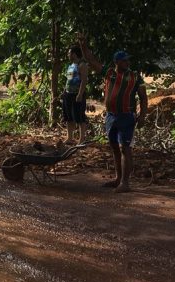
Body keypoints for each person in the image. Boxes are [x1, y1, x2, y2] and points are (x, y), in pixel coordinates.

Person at [82, 40, 148, 193]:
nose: (127, 62)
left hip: (127, 116)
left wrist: (143, 116)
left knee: (125, 148)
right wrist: (83, 44)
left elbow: (143, 98)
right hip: (111, 116)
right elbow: (91, 60)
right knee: (114, 147)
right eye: (125, 60)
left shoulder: (135, 77)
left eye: (128, 60)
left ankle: (125, 183)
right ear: (117, 61)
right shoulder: (109, 73)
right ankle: (118, 178)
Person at [62, 45, 89, 144]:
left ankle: (81, 139)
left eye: (69, 53)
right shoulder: (71, 65)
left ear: (74, 54)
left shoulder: (82, 65)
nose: (68, 55)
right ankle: (69, 138)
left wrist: (80, 94)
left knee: (79, 117)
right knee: (68, 116)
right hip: (68, 94)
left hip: (77, 94)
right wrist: (64, 91)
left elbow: (84, 81)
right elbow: (68, 80)